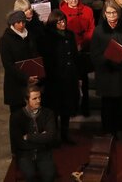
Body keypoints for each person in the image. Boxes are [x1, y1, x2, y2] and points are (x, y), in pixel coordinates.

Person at [90, 1, 122, 141]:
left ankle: (119, 130)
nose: (111, 16)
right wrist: (107, 57)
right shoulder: (98, 30)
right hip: (106, 73)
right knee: (107, 104)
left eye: (114, 12)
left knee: (121, 103)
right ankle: (108, 130)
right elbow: (94, 54)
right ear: (104, 14)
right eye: (108, 13)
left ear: (118, 13)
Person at [39, 11, 80, 144]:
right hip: (55, 79)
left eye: (63, 21)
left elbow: (74, 54)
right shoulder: (48, 37)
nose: (63, 24)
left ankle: (65, 134)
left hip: (69, 77)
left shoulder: (70, 35)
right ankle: (54, 136)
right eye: (59, 22)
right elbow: (47, 59)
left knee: (67, 107)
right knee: (55, 109)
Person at [57, 0, 95, 117]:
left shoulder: (87, 10)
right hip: (68, 50)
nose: (74, 1)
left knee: (84, 80)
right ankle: (71, 108)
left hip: (84, 48)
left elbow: (91, 29)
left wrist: (82, 43)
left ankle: (85, 106)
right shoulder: (60, 12)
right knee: (69, 82)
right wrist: (73, 45)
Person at [9, 86, 59, 182]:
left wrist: (28, 136)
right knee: (29, 175)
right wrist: (42, 138)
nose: (38, 101)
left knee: (49, 175)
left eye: (39, 97)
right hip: (25, 154)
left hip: (43, 152)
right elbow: (18, 142)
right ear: (26, 100)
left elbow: (51, 136)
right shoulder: (16, 116)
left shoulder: (48, 113)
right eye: (34, 98)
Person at [0, 11, 41, 114]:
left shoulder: (29, 35)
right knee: (17, 113)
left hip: (31, 80)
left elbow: (35, 54)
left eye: (23, 22)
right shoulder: (6, 39)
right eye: (18, 22)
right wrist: (26, 77)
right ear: (13, 23)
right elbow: (8, 64)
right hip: (15, 83)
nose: (21, 25)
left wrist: (37, 74)